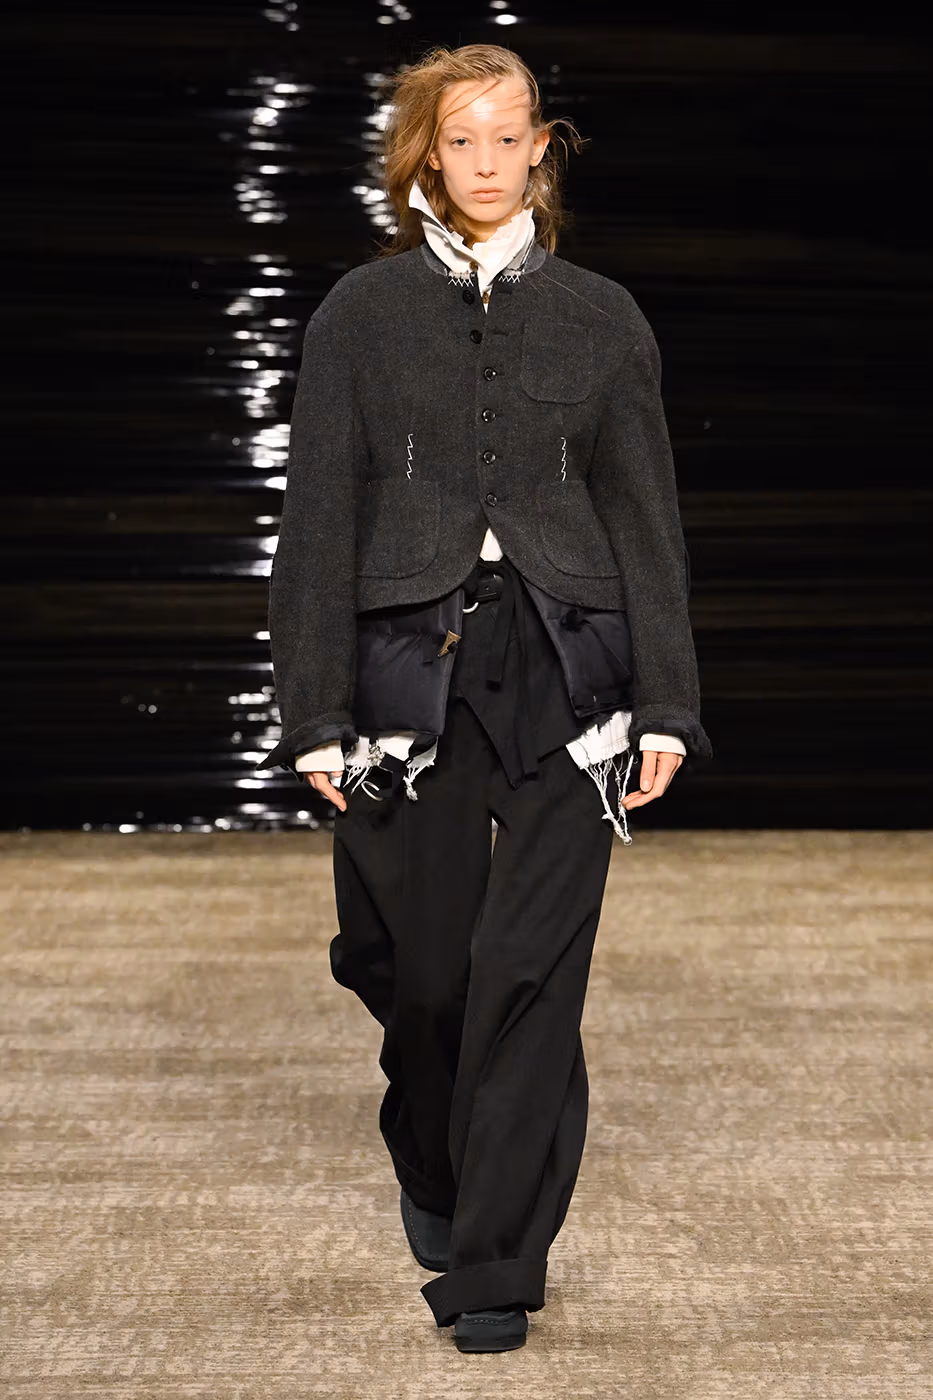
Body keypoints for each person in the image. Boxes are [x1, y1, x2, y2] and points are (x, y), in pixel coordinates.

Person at [256, 42, 711, 1354]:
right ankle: (431, 1146)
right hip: (408, 661)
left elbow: (647, 522)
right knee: (418, 969)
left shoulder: (604, 318)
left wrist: (669, 703)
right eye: (462, 139)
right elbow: (318, 522)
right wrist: (313, 711)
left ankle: (496, 1267)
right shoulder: (359, 315)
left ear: (541, 149)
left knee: (530, 968)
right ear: (426, 154)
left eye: (510, 137)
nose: (488, 162)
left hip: (575, 662)